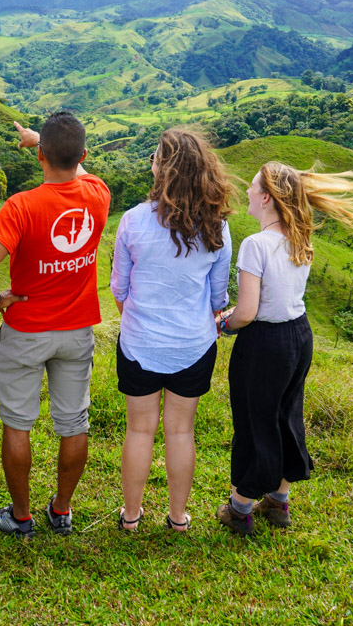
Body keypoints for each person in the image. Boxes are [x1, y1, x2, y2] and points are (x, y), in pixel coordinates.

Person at [0, 112, 111, 538]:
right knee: (74, 423)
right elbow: (76, 171)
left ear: (40, 157)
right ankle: (62, 509)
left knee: (18, 422)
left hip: (27, 329)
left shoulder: (21, 206)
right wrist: (43, 143)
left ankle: (21, 516)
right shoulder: (98, 194)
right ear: (83, 155)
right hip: (76, 330)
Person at [216, 161, 353, 536]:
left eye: (254, 187)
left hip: (264, 343)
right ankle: (278, 501)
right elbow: (275, 298)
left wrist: (222, 324)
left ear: (266, 198)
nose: (248, 191)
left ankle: (240, 508)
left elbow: (248, 312)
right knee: (286, 415)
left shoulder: (255, 245)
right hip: (298, 336)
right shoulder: (299, 237)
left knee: (254, 422)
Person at [110, 128, 233, 533]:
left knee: (138, 430)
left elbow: (119, 290)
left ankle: (131, 516)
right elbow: (217, 299)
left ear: (162, 169)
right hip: (193, 345)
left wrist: (139, 320)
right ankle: (178, 518)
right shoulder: (217, 226)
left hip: (139, 343)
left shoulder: (133, 220)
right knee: (181, 432)